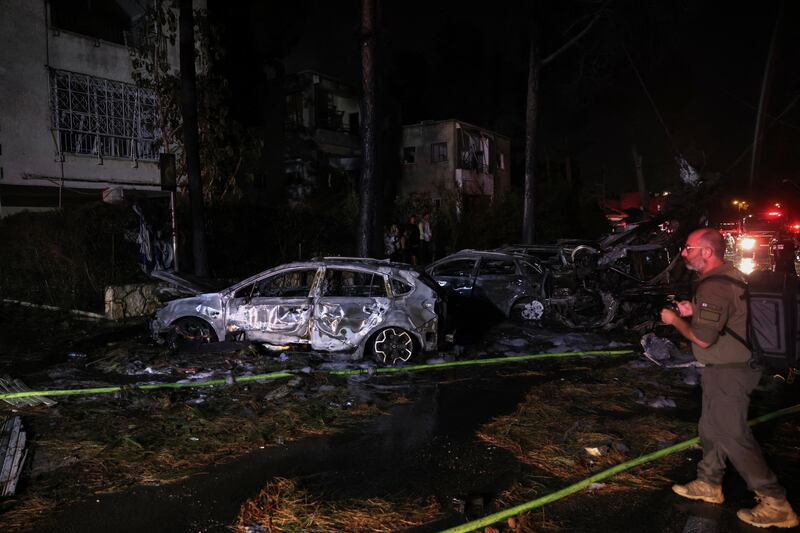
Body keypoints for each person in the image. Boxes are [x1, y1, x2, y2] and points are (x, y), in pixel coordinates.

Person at [660, 228, 798, 529]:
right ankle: (708, 483)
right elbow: (727, 315)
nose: (684, 253)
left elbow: (703, 339)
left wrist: (675, 320)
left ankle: (776, 502)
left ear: (706, 252)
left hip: (730, 372)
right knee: (710, 428)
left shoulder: (713, 286)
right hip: (724, 368)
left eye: (688, 248)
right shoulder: (727, 275)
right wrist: (693, 309)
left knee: (733, 435)